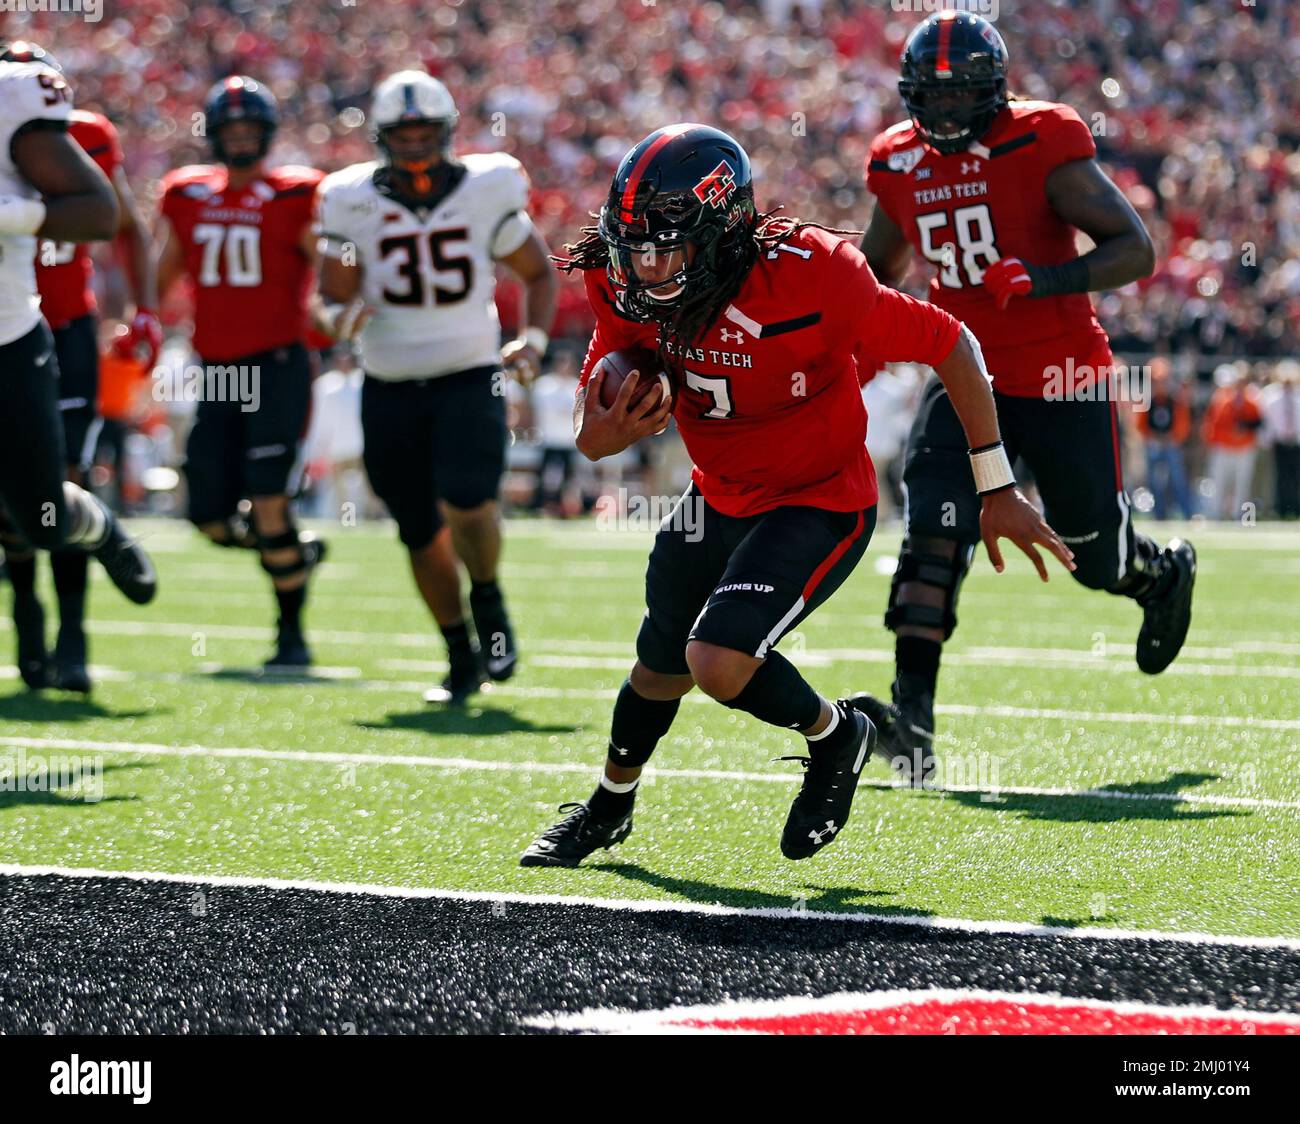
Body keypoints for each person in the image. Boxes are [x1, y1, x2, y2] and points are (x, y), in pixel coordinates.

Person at [520, 124, 1071, 867]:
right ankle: (609, 806)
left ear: (722, 230)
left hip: (820, 496)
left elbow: (951, 342)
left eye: (665, 246)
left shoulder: (817, 273)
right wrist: (610, 430)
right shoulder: (622, 281)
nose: (644, 268)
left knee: (717, 660)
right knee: (659, 666)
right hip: (717, 493)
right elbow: (591, 435)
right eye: (634, 246)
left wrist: (995, 482)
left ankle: (837, 735)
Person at [855, 12, 1196, 782]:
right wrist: (849, 333)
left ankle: (1158, 574)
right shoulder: (897, 162)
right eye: (928, 99)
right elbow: (875, 271)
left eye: (959, 97)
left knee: (1093, 561)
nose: (941, 114)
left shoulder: (1041, 140)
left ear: (993, 91)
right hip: (964, 376)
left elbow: (1134, 248)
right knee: (932, 541)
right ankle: (912, 725)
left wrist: (1045, 279)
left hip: (1061, 376)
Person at [314, 70, 558, 704]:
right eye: (404, 134)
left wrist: (531, 341)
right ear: (382, 138)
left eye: (427, 133)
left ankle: (488, 595)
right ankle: (459, 653)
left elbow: (536, 273)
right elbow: (328, 297)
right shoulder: (348, 200)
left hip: (469, 374)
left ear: (448, 133)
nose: (417, 145)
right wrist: (340, 318)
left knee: (470, 498)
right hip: (389, 382)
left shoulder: (485, 187)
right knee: (417, 528)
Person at [0, 40, 160, 693]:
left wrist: (14, 216)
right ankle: (29, 627)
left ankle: (73, 626)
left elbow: (108, 217)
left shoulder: (39, 115)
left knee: (42, 502)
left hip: (30, 332)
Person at [157, 76, 325, 669]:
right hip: (217, 369)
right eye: (231, 131)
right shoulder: (186, 194)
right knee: (206, 513)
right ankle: (295, 551)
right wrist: (144, 318)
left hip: (276, 362)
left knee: (270, 497)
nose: (242, 140)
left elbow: (328, 270)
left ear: (268, 133)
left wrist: (332, 312)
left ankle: (291, 636)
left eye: (251, 129)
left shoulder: (294, 194)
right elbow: (165, 270)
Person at [1135, 357, 1195, 521]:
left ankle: (1187, 513)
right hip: (1154, 445)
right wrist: (1152, 438)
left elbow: (1183, 423)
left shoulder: (1175, 400)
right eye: (1155, 381)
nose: (1159, 384)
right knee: (1154, 481)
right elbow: (1141, 424)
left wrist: (1172, 438)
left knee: (1178, 480)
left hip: (1171, 444)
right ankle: (1159, 514)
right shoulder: (1147, 400)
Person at [1202, 364, 1263, 521]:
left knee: (1242, 485)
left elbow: (1258, 423)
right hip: (1224, 447)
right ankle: (1215, 515)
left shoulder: (1252, 401)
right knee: (1219, 483)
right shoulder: (1222, 400)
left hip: (1244, 448)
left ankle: (1239, 516)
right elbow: (1214, 423)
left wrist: (1244, 429)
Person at [1259, 361, 1300, 520]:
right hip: (1279, 442)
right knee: (1281, 478)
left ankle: (1296, 509)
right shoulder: (1271, 396)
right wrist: (1267, 441)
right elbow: (1267, 421)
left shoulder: (1297, 396)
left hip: (1296, 442)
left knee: (1296, 477)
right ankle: (1282, 509)